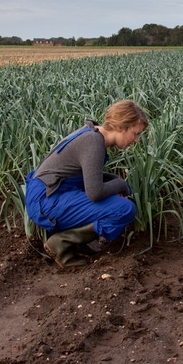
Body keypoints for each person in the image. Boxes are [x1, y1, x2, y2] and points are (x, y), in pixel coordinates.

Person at [25, 100, 149, 268]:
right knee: (124, 209)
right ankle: (62, 243)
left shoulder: (92, 134)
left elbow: (89, 174)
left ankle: (78, 243)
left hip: (50, 194)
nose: (136, 140)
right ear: (121, 127)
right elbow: (95, 192)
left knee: (113, 201)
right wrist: (120, 184)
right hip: (47, 201)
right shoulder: (93, 142)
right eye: (135, 133)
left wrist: (114, 182)